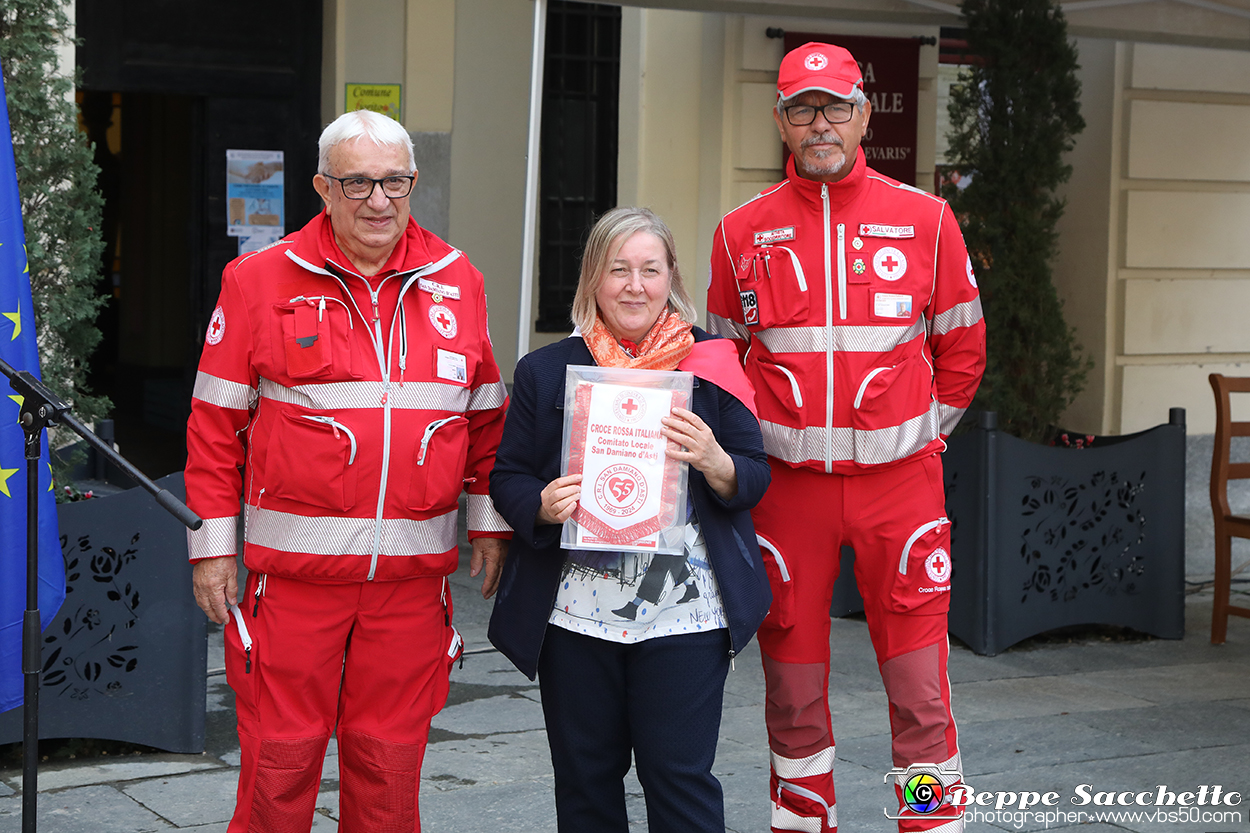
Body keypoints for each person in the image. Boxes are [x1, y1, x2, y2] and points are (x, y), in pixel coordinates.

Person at [184, 109, 511, 832]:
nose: (378, 200)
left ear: (413, 182)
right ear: (322, 188)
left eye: (394, 181)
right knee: (279, 769)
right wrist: (212, 548)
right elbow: (214, 427)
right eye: (357, 182)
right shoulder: (258, 280)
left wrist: (489, 524)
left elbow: (486, 420)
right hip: (293, 584)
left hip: (411, 588)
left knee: (389, 777)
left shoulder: (459, 281)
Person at [706, 42, 986, 833]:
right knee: (792, 695)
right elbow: (728, 361)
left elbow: (963, 351)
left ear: (864, 114)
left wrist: (915, 435)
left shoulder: (928, 218)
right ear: (781, 122)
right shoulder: (738, 233)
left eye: (834, 106)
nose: (819, 122)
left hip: (902, 488)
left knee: (922, 693)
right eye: (803, 108)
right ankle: (804, 825)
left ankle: (927, 822)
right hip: (787, 493)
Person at [488, 207, 772, 833]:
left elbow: (754, 475)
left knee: (680, 780)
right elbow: (506, 476)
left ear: (671, 279)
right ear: (593, 278)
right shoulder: (546, 370)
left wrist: (716, 460)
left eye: (650, 269)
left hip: (684, 613)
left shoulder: (713, 367)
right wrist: (540, 503)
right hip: (576, 616)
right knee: (586, 782)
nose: (634, 285)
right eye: (618, 270)